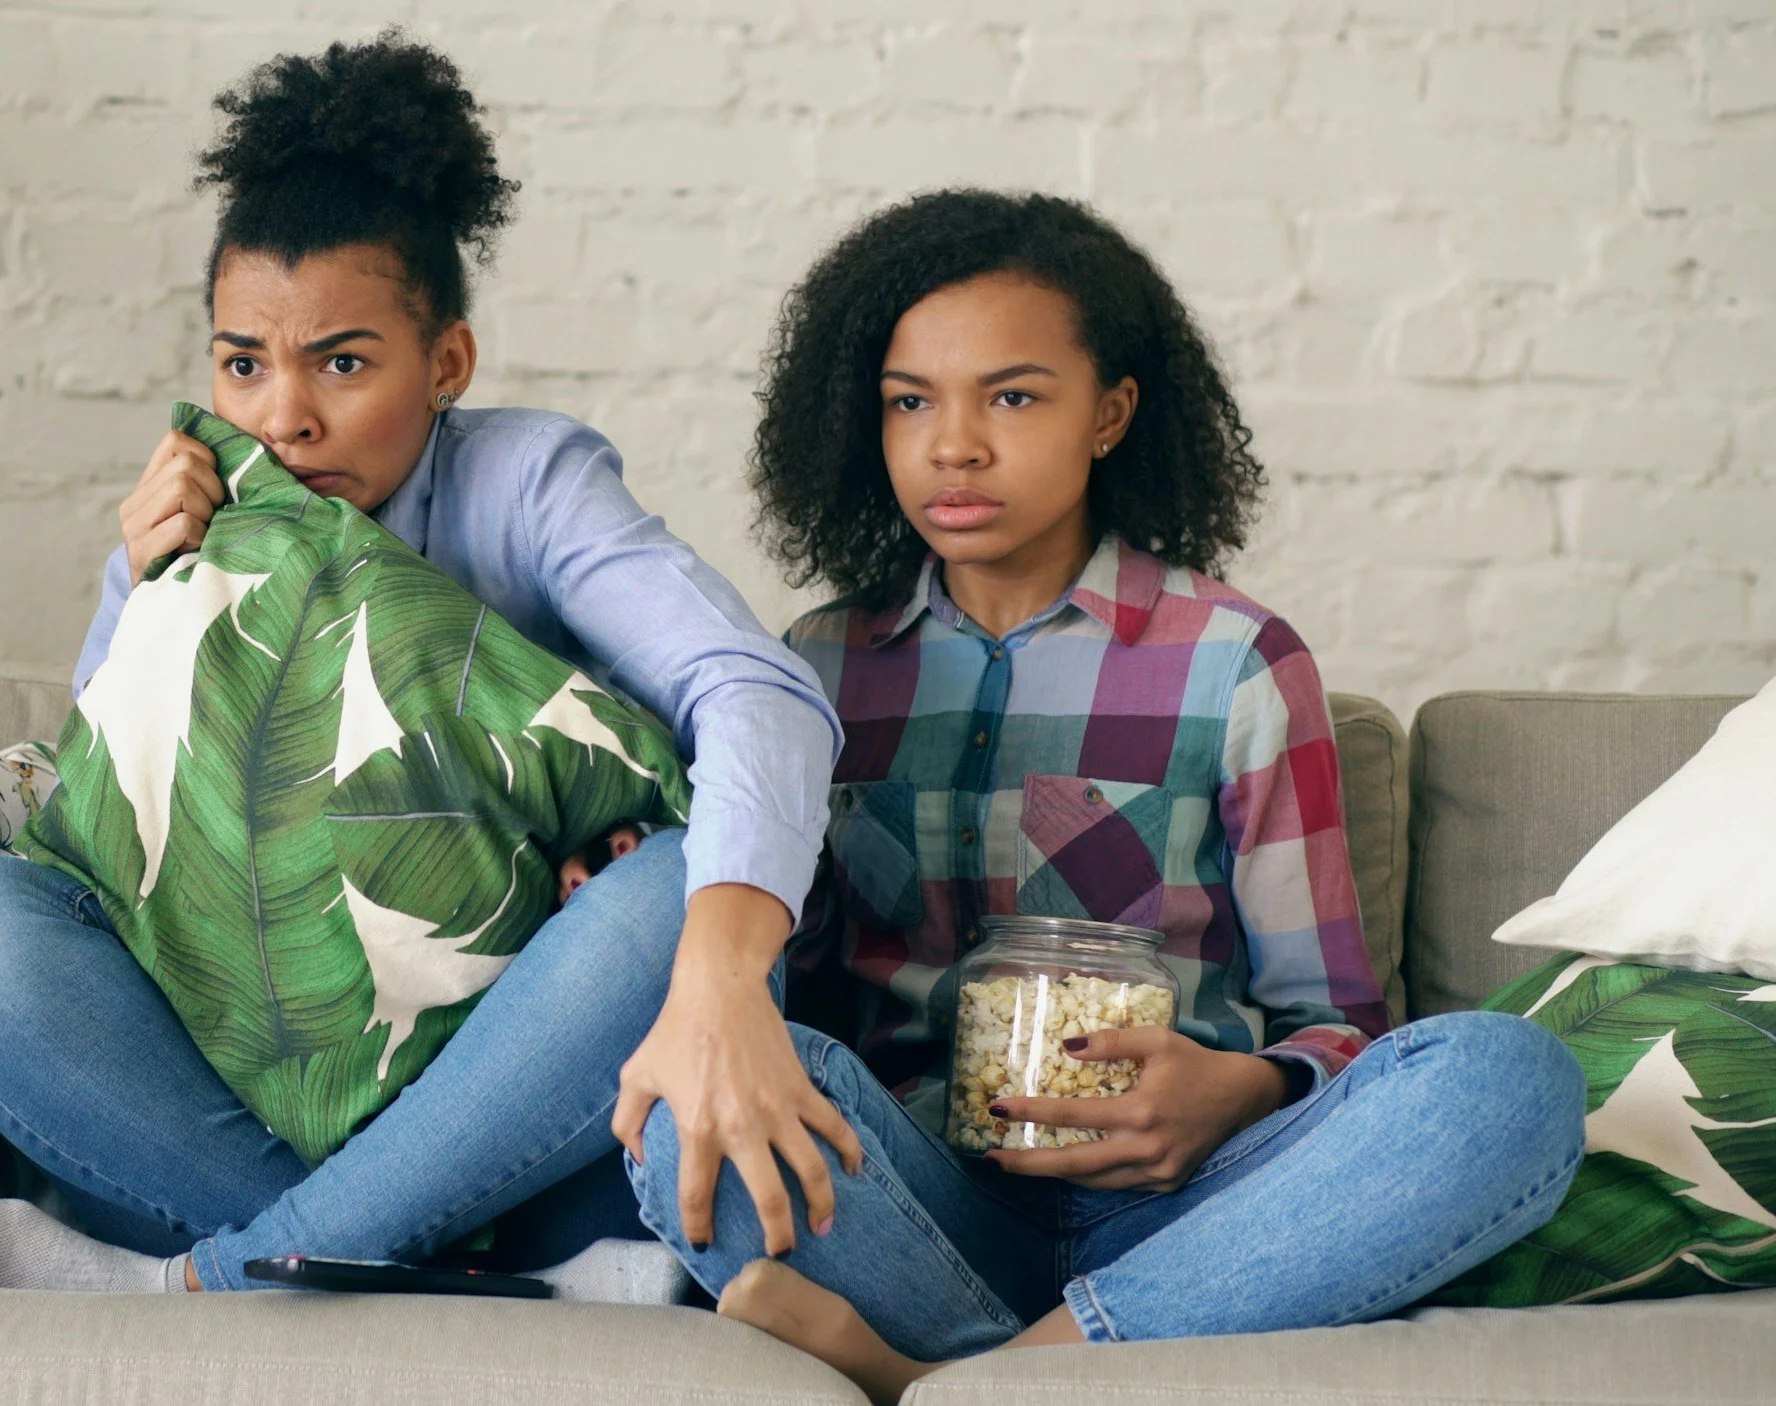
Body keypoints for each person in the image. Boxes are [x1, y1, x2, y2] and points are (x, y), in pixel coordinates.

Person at [0, 33, 843, 1302]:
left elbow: (757, 690)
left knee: (681, 888)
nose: (283, 416)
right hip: (256, 1099)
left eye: (341, 362)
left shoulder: (528, 481)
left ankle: (211, 1279)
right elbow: (130, 867)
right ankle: (462, 1271)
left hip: (524, 1096)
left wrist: (721, 968)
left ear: (445, 363)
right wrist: (148, 591)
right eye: (243, 362)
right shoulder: (190, 522)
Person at [621, 189, 1587, 1400]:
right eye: (909, 401)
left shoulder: (1236, 662)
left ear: (1110, 413)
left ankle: (959, 1375)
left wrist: (1240, 1088)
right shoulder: (808, 671)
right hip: (919, 1203)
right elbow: (770, 986)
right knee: (686, 1101)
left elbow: (1337, 1017)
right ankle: (1060, 1367)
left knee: (1506, 1077)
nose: (952, 445)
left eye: (1012, 397)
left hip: (1193, 1204)